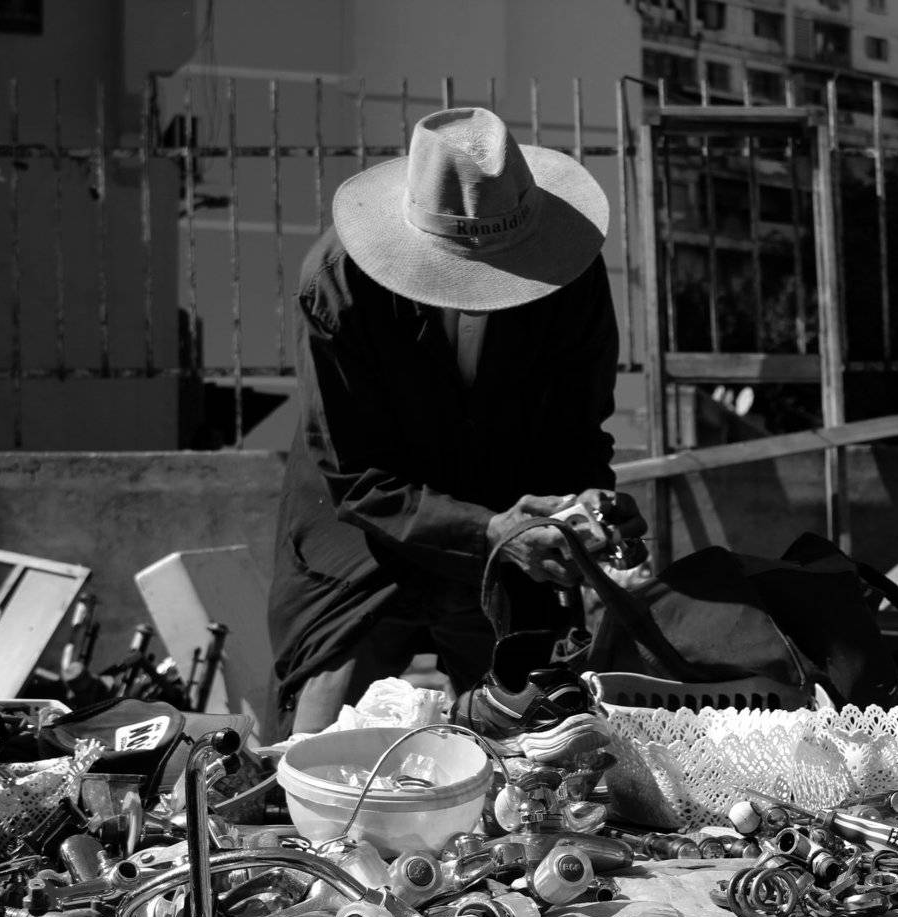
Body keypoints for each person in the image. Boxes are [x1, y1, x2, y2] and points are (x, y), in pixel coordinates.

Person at [268, 106, 642, 741]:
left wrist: (582, 510)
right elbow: (355, 474)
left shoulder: (571, 270)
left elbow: (577, 431)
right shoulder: (338, 283)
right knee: (317, 758)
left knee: (541, 746)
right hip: (360, 538)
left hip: (510, 523)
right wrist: (488, 531)